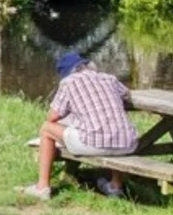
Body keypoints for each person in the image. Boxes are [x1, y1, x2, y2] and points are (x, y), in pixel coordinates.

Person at [20, 52, 137, 201]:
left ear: (67, 73)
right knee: (112, 126)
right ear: (88, 66)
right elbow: (126, 95)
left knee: (47, 129)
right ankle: (116, 186)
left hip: (94, 143)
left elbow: (52, 117)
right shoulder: (109, 78)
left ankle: (42, 187)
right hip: (128, 143)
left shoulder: (69, 83)